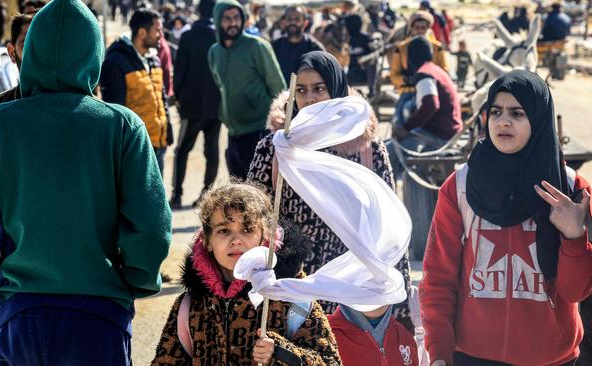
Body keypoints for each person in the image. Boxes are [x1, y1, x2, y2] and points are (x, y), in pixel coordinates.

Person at [0, 0, 172, 364]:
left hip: (20, 311)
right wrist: (136, 279)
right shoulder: (123, 126)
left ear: (30, 51)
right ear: (93, 54)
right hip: (99, 316)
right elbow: (153, 228)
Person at [420, 70, 592, 366]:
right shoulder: (460, 186)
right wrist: (439, 351)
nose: (503, 121)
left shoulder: (570, 189)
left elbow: (576, 292)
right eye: (495, 111)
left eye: (518, 113)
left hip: (551, 358)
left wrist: (574, 237)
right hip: (470, 356)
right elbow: (438, 277)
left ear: (538, 120)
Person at [247, 51, 414, 332]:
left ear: (336, 89)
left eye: (319, 88)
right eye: (301, 90)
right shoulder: (275, 147)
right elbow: (252, 218)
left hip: (354, 291)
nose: (310, 98)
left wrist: (402, 304)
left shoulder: (367, 150)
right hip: (294, 289)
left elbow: (390, 228)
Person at [151, 183, 342, 365]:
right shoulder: (191, 305)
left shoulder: (292, 297)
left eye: (247, 229)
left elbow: (330, 361)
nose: (236, 240)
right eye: (224, 230)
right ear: (207, 241)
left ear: (266, 237)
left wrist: (281, 353)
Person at [208, 0, 285, 179]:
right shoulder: (214, 52)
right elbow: (221, 86)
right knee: (238, 192)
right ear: (218, 20)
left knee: (258, 192)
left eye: (236, 17)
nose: (233, 23)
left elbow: (279, 88)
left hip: (259, 131)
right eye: (227, 18)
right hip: (233, 133)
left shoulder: (257, 46)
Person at [100, 8, 174, 175]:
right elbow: (114, 113)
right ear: (142, 32)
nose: (161, 35)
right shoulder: (115, 62)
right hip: (136, 151)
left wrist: (167, 126)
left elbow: (160, 95)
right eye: (157, 30)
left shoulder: (154, 58)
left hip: (158, 144)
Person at [388, 36, 462, 180]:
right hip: (449, 130)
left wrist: (406, 128)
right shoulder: (436, 69)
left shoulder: (424, 74)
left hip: (439, 135)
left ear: (409, 57)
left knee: (388, 152)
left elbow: (430, 105)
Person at [170, 0, 220, 209]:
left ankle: (177, 195)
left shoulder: (188, 36)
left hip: (192, 104)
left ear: (198, 12)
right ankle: (205, 195)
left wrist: (178, 97)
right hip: (217, 105)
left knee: (182, 150)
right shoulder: (220, 37)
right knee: (212, 151)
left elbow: (180, 69)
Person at [0, 11, 39, 117]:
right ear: (12, 53)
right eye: (27, 45)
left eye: (45, 45)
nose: (38, 53)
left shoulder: (73, 110)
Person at [389, 10, 447, 125]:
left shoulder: (437, 48)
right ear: (410, 28)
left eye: (423, 28)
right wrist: (405, 80)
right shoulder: (401, 49)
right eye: (417, 27)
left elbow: (444, 72)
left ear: (428, 28)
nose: (420, 31)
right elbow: (394, 75)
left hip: (431, 92)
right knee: (399, 122)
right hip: (408, 92)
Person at [271, 5, 325, 81]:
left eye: (297, 19)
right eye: (289, 19)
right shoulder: (275, 46)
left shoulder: (315, 48)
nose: (293, 22)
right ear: (285, 22)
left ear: (305, 23)